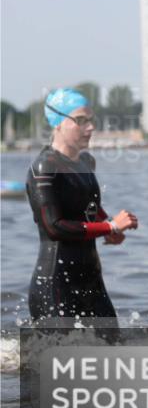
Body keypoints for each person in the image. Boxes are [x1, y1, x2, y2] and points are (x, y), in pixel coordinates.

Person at [26, 88, 139, 326]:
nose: (90, 127)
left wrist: (112, 228)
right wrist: (108, 227)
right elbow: (54, 227)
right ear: (57, 123)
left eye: (91, 120)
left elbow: (87, 203)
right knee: (61, 362)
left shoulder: (86, 161)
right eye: (80, 120)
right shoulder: (44, 168)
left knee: (114, 355)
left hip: (91, 281)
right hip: (56, 285)